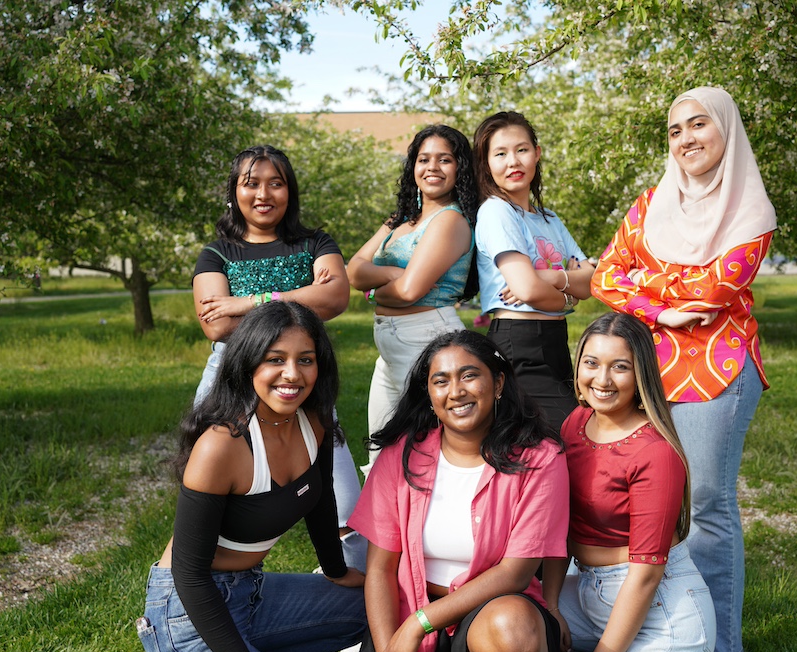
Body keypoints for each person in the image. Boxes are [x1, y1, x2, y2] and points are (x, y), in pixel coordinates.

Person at [590, 87, 777, 652]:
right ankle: (662, 627)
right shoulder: (651, 203)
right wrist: (661, 311)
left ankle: (723, 651)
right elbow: (603, 276)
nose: (686, 139)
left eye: (699, 125)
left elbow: (715, 290)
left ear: (726, 130)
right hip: (645, 372)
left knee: (707, 505)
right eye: (674, 131)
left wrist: (645, 288)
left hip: (715, 370)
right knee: (655, 506)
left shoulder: (751, 210)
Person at [138, 301, 366, 652]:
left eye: (305, 359)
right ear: (248, 363)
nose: (292, 374)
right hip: (189, 611)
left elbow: (320, 501)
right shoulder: (222, 445)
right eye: (275, 359)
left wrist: (337, 571)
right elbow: (190, 575)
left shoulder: (313, 421)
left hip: (251, 593)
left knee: (376, 603)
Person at [348, 330, 569, 652]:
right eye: (441, 380)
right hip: (411, 611)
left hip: (493, 614)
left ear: (497, 384)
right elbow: (380, 569)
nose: (456, 392)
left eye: (469, 376)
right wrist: (388, 650)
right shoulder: (401, 456)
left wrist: (420, 623)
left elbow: (515, 574)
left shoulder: (540, 458)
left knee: (511, 629)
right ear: (430, 393)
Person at [191, 145, 364, 568]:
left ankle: (347, 586)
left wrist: (246, 302)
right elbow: (215, 324)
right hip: (230, 379)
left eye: (276, 183)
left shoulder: (315, 242)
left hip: (299, 379)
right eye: (251, 183)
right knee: (216, 496)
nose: (263, 193)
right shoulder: (217, 253)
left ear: (291, 192)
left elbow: (337, 296)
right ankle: (209, 586)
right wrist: (302, 302)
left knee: (342, 500)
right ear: (235, 191)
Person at [542, 313, 715, 652]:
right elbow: (559, 523)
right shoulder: (576, 422)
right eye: (591, 363)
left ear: (641, 375)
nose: (602, 380)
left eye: (619, 367)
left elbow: (646, 575)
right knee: (523, 630)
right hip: (588, 590)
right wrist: (552, 605)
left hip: (660, 610)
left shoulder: (655, 452)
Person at [348, 125, 479, 475]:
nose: (432, 167)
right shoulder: (400, 221)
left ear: (459, 168)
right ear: (413, 167)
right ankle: (385, 530)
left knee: (424, 451)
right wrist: (392, 277)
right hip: (392, 346)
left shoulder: (450, 220)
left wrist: (376, 289)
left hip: (426, 338)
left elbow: (410, 292)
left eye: (445, 160)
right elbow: (353, 271)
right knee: (381, 450)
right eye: (424, 159)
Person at [472, 111, 596, 430]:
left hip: (555, 342)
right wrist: (567, 296)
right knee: (562, 437)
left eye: (522, 150)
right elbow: (527, 291)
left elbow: (591, 281)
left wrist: (551, 278)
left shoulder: (549, 218)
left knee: (561, 440)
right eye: (500, 154)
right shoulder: (497, 211)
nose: (513, 161)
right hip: (518, 345)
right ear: (486, 163)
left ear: (537, 154)